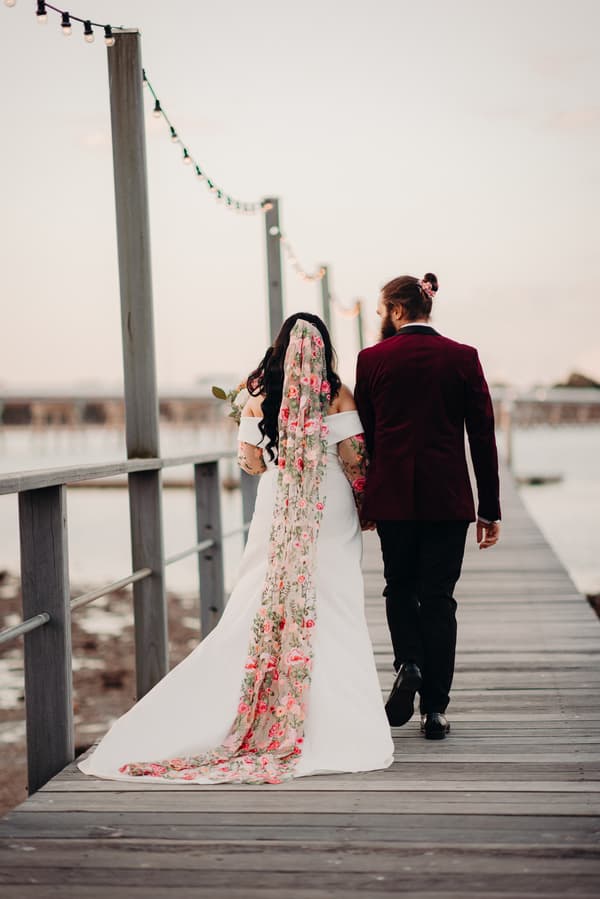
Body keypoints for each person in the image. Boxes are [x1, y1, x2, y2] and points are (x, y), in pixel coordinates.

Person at [78, 314, 393, 784]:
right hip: (327, 509)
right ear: (323, 349)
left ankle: (245, 701)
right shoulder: (337, 395)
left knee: (258, 601)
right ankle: (336, 718)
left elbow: (249, 464)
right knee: (334, 601)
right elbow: (356, 463)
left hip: (277, 505)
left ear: (281, 348)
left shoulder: (257, 395)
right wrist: (367, 507)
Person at [354, 274, 501, 740]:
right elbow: (481, 436)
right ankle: (434, 710)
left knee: (399, 587)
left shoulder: (372, 359)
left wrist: (366, 499)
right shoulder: (463, 357)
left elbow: (366, 439)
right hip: (447, 498)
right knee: (439, 598)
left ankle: (409, 662)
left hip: (393, 496)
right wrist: (489, 508)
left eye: (382, 311)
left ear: (397, 311)